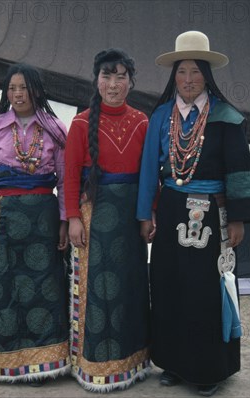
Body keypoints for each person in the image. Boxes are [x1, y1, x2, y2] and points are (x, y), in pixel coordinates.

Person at [137, 31, 250, 396]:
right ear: (172, 76)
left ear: (207, 75)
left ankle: (208, 367)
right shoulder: (161, 116)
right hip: (173, 208)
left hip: (214, 215)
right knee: (169, 285)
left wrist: (237, 218)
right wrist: (146, 213)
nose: (187, 79)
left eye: (194, 71)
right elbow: (149, 170)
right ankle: (174, 361)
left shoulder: (227, 118)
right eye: (181, 72)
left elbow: (240, 170)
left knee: (206, 291)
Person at [0, 63, 70, 385]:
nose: (18, 94)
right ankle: (5, 361)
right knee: (7, 288)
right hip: (5, 220)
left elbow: (66, 179)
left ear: (37, 90)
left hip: (43, 220)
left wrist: (64, 220)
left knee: (44, 287)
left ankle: (47, 363)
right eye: (12, 88)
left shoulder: (55, 129)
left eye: (24, 88)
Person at [64, 49, 151, 392]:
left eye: (120, 77)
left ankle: (132, 362)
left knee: (130, 286)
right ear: (96, 80)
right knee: (98, 291)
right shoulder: (81, 123)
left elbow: (148, 178)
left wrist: (148, 214)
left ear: (131, 82)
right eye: (106, 76)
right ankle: (96, 365)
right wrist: (73, 218)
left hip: (130, 221)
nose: (112, 84)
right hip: (94, 219)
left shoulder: (143, 122)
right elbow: (70, 176)